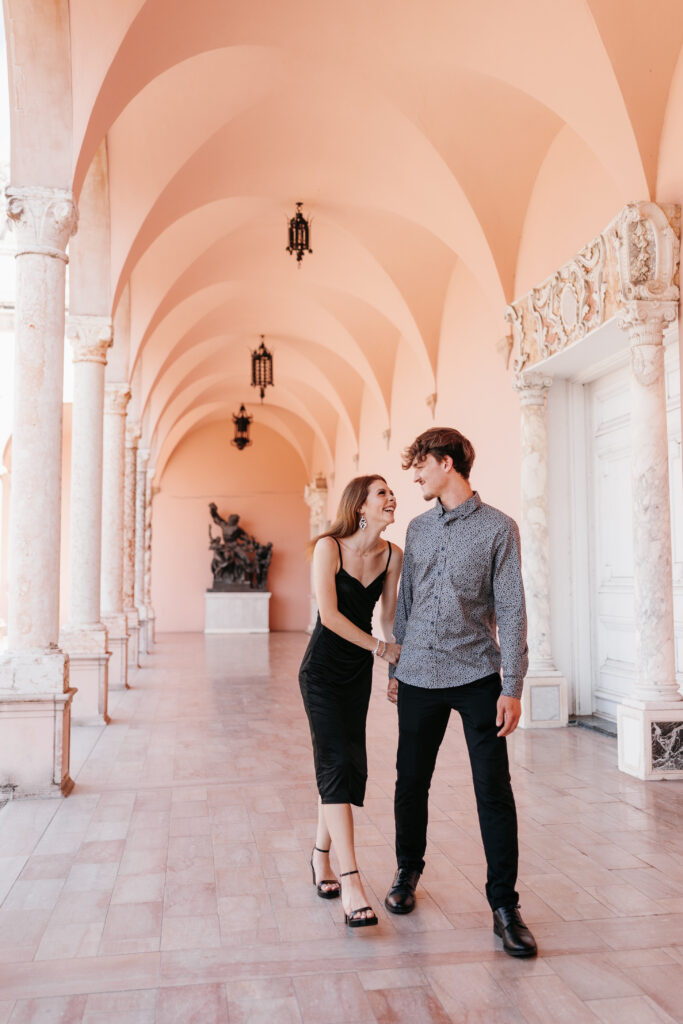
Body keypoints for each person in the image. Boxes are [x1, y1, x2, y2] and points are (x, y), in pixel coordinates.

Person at [384, 427, 537, 958]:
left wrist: (512, 685)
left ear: (446, 462)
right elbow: (405, 600)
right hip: (419, 673)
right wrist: (396, 666)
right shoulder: (418, 529)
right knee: (411, 782)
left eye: (420, 464)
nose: (416, 475)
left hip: (477, 676)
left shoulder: (500, 528)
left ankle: (504, 907)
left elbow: (513, 608)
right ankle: (407, 872)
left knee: (493, 791)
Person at [299, 475, 403, 928]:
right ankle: (351, 878)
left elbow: (389, 615)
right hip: (321, 671)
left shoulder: (392, 555)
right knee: (335, 763)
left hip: (357, 674)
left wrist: (394, 667)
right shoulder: (329, 547)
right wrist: (380, 650)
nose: (392, 498)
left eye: (391, 492)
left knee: (343, 765)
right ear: (361, 504)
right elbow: (329, 616)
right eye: (383, 493)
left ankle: (320, 856)